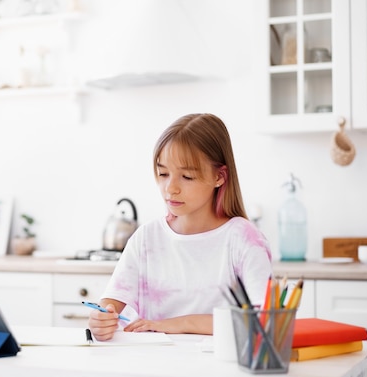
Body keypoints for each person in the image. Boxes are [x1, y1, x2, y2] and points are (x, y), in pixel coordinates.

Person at [88, 113, 272, 341]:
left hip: (218, 367)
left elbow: (263, 319)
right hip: (154, 365)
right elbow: (111, 302)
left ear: (219, 177)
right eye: (163, 173)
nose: (170, 188)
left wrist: (177, 324)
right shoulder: (147, 237)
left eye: (187, 176)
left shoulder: (243, 238)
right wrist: (101, 319)